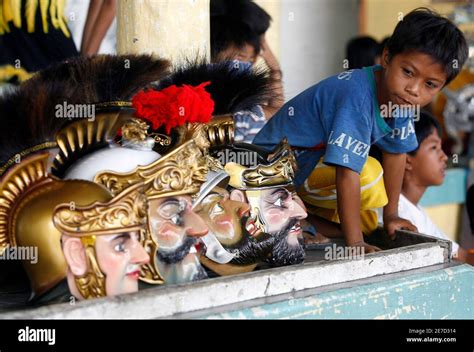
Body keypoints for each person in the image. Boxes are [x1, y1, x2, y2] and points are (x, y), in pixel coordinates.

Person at [253, 8, 469, 253]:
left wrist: (391, 216)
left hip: (307, 167)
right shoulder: (356, 95)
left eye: (430, 84)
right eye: (408, 72)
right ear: (386, 58)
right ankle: (289, 213)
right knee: (369, 175)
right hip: (269, 169)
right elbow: (347, 172)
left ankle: (303, 220)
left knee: (368, 217)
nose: (414, 89)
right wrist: (355, 243)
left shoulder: (402, 100)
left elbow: (397, 153)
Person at [388, 112, 471, 263]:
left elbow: (461, 255)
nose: (444, 157)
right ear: (405, 160)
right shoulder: (401, 214)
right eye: (434, 147)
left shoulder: (415, 210)